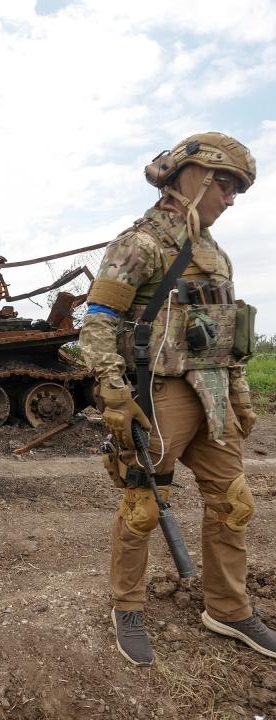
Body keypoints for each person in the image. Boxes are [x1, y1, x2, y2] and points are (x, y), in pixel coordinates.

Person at [79, 132, 276, 666]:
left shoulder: (216, 253)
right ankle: (128, 606)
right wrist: (113, 391)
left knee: (234, 502)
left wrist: (239, 394)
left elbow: (227, 336)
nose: (231, 198)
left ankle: (228, 609)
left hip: (213, 397)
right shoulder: (139, 244)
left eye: (237, 188)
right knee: (143, 506)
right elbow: (96, 322)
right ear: (196, 180)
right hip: (158, 396)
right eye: (227, 185)